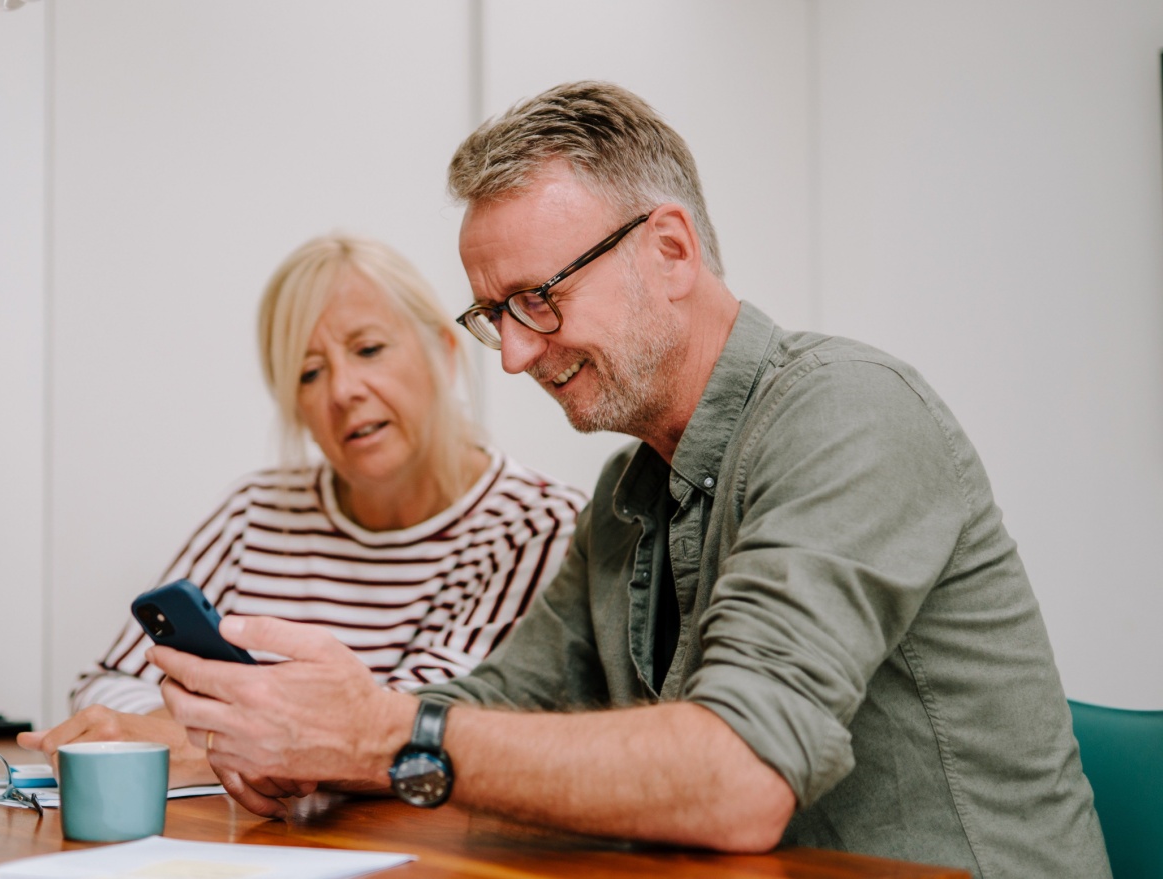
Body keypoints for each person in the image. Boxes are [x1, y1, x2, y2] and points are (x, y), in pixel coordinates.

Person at [149, 82, 1111, 877]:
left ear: (672, 251)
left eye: (539, 299)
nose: (516, 355)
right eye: (494, 315)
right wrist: (320, 743)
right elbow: (494, 706)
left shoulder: (851, 412)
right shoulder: (625, 494)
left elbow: (738, 771)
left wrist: (380, 737)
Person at [20, 234, 586, 788]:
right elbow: (111, 680)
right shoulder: (257, 511)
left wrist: (200, 741)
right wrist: (225, 742)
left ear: (443, 349)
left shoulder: (535, 527)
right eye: (308, 373)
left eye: (368, 349)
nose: (342, 391)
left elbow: (416, 729)